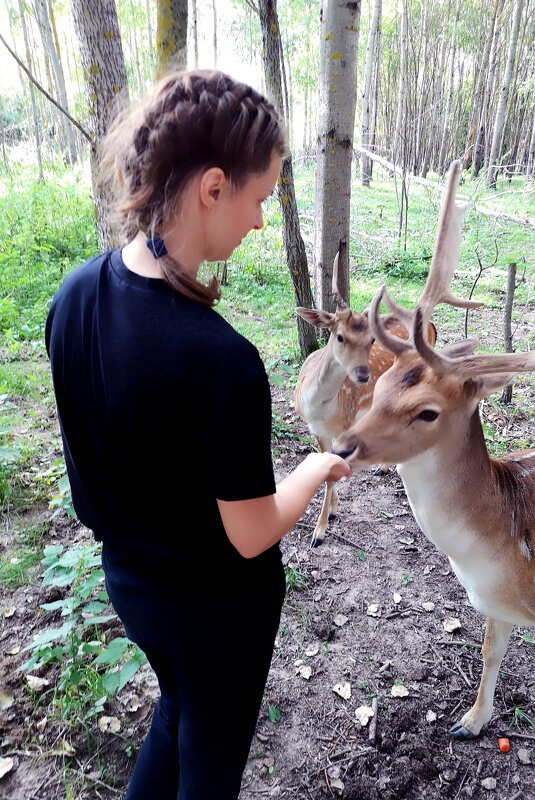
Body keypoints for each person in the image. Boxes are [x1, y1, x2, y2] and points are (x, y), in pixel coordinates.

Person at [45, 69, 350, 800]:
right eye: (258, 199)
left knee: (174, 713)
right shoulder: (220, 362)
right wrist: (312, 471)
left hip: (132, 586)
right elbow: (250, 534)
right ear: (213, 187)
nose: (257, 221)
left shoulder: (75, 295)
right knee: (209, 773)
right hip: (216, 616)